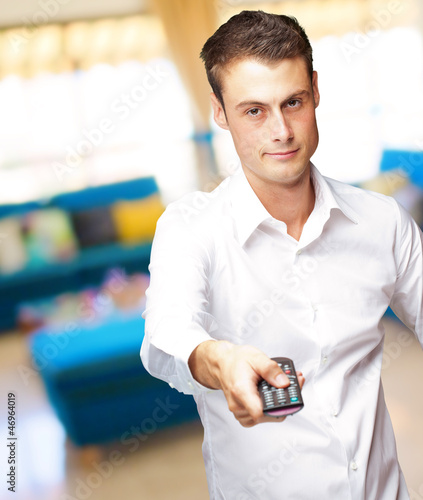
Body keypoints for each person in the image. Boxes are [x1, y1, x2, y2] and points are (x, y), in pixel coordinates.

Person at [141, 10, 423, 499]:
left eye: (292, 102)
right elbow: (168, 332)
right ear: (220, 112)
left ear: (315, 90)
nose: (281, 131)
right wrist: (219, 358)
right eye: (254, 111)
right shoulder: (190, 229)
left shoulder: (383, 222)